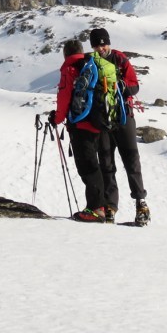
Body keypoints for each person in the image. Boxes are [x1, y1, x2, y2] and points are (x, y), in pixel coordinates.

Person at [89, 27, 150, 226]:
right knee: (107, 164)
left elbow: (134, 85)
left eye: (103, 43)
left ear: (109, 43)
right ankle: (110, 207)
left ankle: (140, 203)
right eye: (97, 44)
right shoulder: (91, 62)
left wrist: (122, 86)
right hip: (105, 121)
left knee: (130, 161)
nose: (101, 48)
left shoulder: (120, 59)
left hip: (122, 117)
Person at [50, 39, 108, 222]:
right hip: (98, 121)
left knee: (87, 166)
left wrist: (57, 119)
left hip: (80, 124)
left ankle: (96, 209)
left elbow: (64, 97)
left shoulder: (70, 68)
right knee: (94, 164)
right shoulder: (92, 65)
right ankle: (99, 207)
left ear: (66, 54)